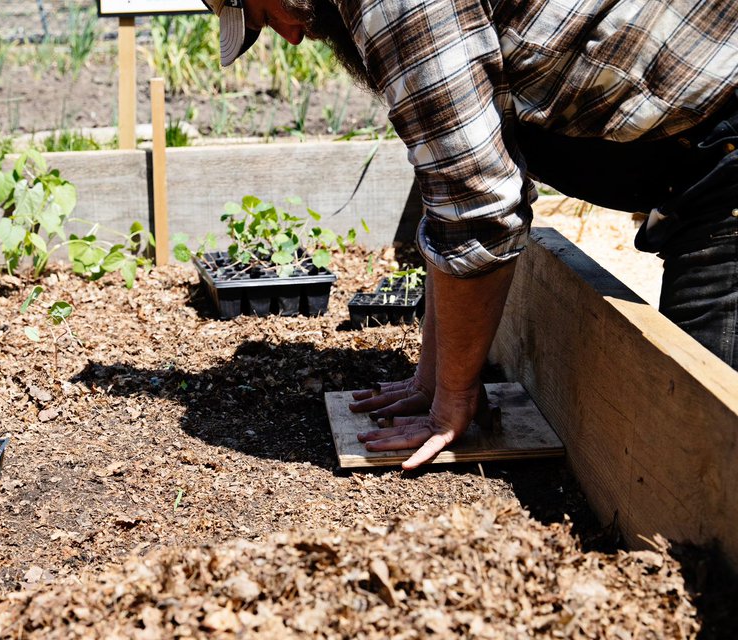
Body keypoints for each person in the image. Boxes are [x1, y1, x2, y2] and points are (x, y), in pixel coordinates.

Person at [200, 0, 738, 467]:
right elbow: (451, 191)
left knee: (699, 450)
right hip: (699, 150)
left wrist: (453, 400)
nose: (292, 36)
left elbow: (477, 203)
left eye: (264, 14)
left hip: (722, 139)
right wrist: (432, 381)